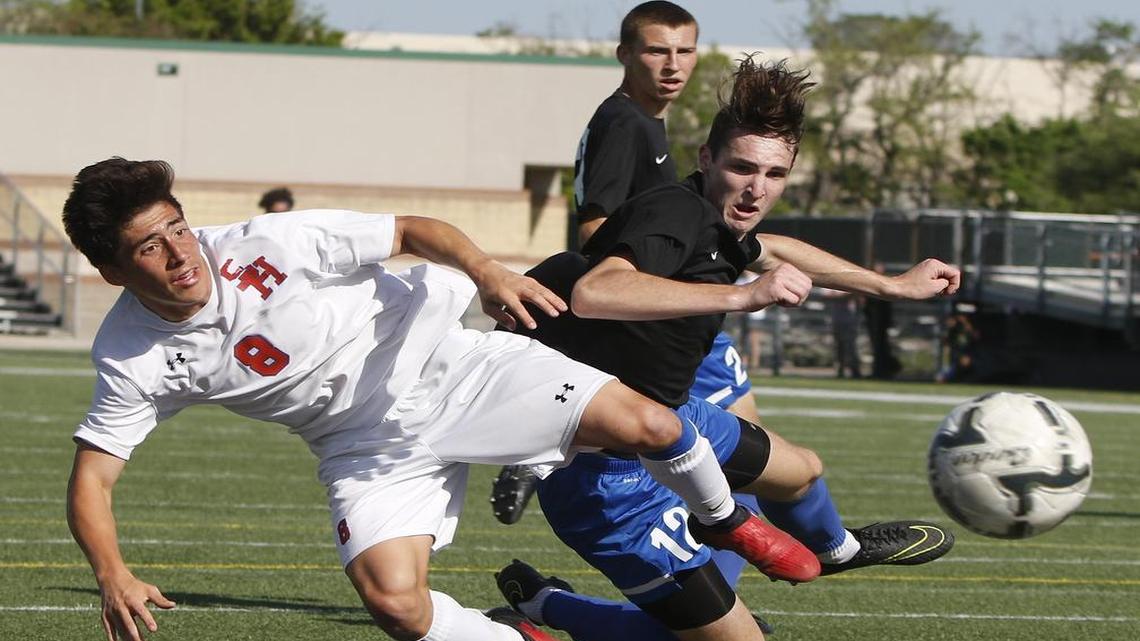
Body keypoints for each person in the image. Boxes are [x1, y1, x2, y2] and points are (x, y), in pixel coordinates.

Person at [61, 158, 817, 641]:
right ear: (114, 272)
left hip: (452, 367)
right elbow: (93, 477)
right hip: (363, 444)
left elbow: (414, 230)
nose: (181, 252)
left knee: (649, 421)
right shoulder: (131, 352)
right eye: (149, 247)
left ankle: (724, 521)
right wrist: (112, 572)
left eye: (177, 228)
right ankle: (517, 636)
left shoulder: (267, 244)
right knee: (396, 605)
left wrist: (487, 273)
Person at [492, 56, 960, 641]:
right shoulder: (673, 212)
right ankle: (543, 610)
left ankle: (837, 549)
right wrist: (747, 299)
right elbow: (596, 290)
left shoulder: (720, 223)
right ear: (707, 159)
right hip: (603, 475)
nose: (757, 188)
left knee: (801, 472)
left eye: (775, 174)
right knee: (737, 640)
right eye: (742, 167)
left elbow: (774, 249)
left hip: (671, 421)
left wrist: (891, 286)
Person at [490, 0, 763, 525]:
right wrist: (658, 290)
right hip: (666, 313)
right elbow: (597, 227)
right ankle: (541, 456)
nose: (673, 65)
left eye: (685, 51)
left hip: (675, 309)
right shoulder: (624, 121)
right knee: (746, 456)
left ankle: (545, 455)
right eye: (657, 50)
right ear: (625, 54)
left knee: (721, 452)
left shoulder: (648, 123)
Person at [864, 262, 901, 379]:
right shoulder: (871, 285)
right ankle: (878, 371)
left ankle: (884, 371)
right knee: (876, 348)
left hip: (881, 323)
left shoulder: (885, 285)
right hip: (873, 321)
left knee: (882, 348)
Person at [825, 288, 862, 378]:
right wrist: (844, 296)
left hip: (849, 320)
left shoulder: (850, 285)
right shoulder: (834, 285)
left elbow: (858, 297)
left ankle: (855, 370)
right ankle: (840, 370)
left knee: (851, 346)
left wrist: (842, 296)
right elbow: (827, 296)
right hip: (837, 319)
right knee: (839, 347)